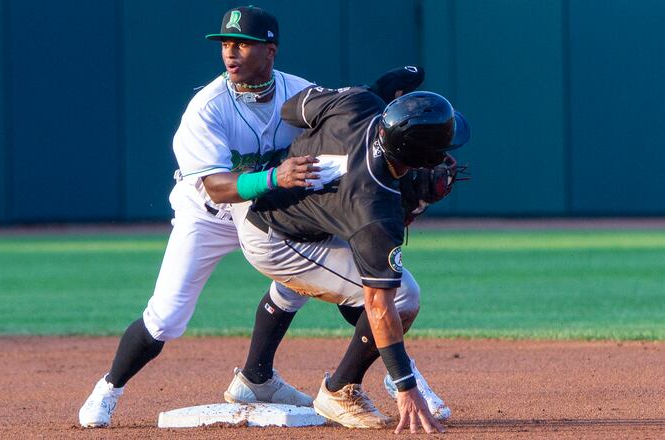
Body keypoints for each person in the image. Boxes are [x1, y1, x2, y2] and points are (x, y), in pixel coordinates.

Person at [78, 5, 319, 428]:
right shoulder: (207, 107)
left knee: (304, 279)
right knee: (167, 316)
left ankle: (258, 378)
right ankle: (109, 386)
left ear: (270, 50)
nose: (231, 52)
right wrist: (276, 175)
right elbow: (217, 187)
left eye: (243, 43)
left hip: (267, 214)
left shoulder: (301, 95)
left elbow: (342, 124)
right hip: (208, 215)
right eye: (226, 43)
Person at [229, 86, 469, 433]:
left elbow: (292, 110)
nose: (445, 157)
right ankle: (340, 390)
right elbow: (380, 304)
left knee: (315, 278)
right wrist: (406, 385)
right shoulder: (376, 210)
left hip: (270, 195)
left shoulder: (361, 102)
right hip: (274, 239)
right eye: (440, 149)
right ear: (419, 157)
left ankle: (254, 377)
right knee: (402, 296)